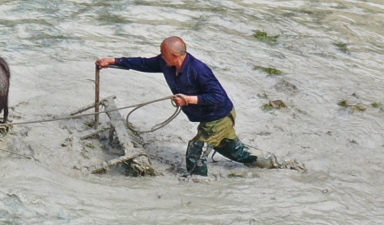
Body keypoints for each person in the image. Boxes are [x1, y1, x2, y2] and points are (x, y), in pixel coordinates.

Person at [95, 37, 273, 176]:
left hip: (218, 117)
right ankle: (272, 163)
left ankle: (197, 185)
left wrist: (189, 100)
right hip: (212, 117)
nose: (160, 55)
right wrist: (114, 61)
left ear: (174, 55)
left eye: (163, 53)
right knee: (234, 151)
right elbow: (144, 63)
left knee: (196, 151)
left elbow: (218, 96)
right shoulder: (165, 63)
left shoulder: (199, 70)